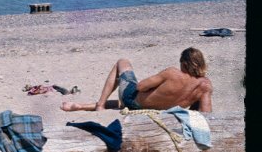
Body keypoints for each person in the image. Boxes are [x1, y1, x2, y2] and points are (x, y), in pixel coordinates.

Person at [60, 48, 212, 113]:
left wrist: (155, 90)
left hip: (133, 103)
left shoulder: (173, 73)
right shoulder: (205, 86)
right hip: (154, 110)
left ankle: (100, 105)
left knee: (122, 62)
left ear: (184, 63)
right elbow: (206, 114)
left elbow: (141, 86)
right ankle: (79, 106)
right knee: (122, 103)